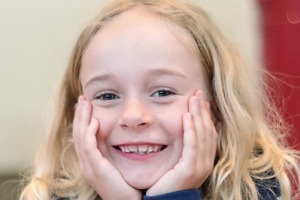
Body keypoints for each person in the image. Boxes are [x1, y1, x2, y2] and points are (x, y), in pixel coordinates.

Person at [20, 0, 300, 199]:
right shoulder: (50, 195)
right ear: (75, 116)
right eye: (107, 95)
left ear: (217, 109)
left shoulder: (260, 191)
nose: (132, 116)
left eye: (163, 92)